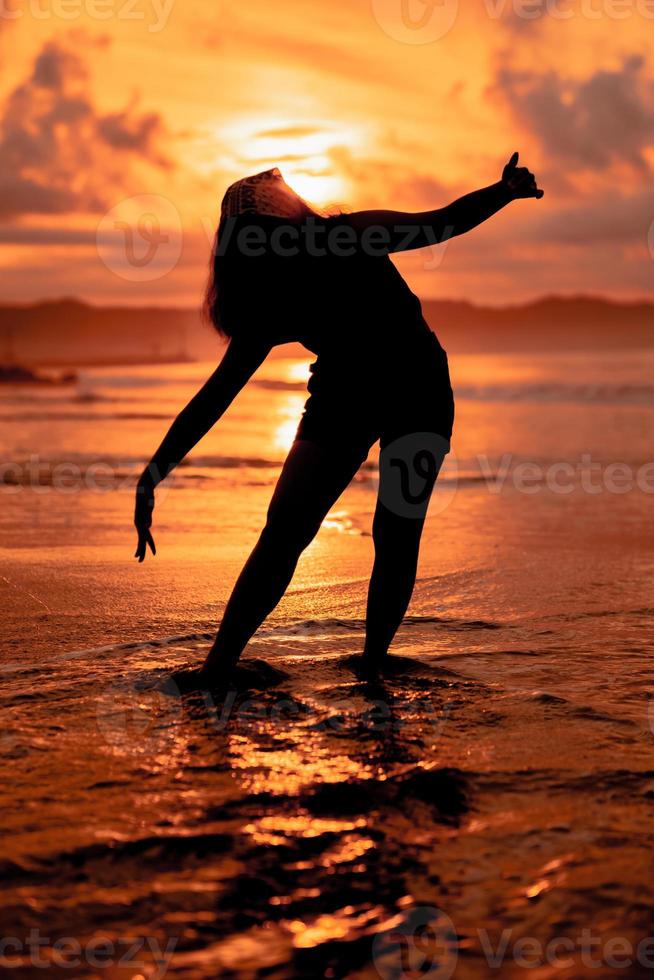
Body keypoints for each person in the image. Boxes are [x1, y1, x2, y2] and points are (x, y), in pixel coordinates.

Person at [134, 153, 543, 687]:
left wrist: (502, 191)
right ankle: (219, 668)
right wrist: (154, 474)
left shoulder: (351, 235)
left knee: (395, 533)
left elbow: (439, 223)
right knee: (285, 530)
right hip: (343, 390)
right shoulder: (267, 300)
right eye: (253, 237)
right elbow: (216, 395)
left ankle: (373, 668)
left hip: (417, 385)